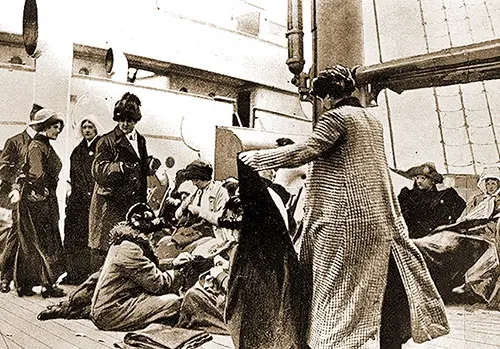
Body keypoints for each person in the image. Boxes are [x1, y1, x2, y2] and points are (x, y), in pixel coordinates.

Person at [240, 65, 449, 348]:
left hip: (345, 228)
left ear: (327, 96)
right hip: (380, 222)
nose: (321, 104)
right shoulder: (371, 121)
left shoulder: (336, 118)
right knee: (381, 289)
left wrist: (258, 160)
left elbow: (307, 150)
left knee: (333, 294)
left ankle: (329, 342)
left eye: (320, 98)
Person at [90, 203, 192, 331]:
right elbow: (157, 283)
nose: (152, 236)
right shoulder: (130, 249)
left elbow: (146, 268)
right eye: (151, 232)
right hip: (112, 312)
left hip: (112, 306)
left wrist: (172, 264)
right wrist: (177, 273)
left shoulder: (124, 243)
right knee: (173, 302)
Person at [89, 92, 160, 272]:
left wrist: (149, 165)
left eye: (129, 120)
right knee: (107, 249)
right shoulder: (106, 141)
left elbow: (140, 166)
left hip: (133, 203)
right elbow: (98, 170)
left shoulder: (141, 140)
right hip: (111, 204)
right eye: (121, 120)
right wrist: (120, 167)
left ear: (136, 120)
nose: (124, 124)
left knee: (129, 249)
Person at [14, 109, 66, 298]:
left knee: (32, 241)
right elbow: (36, 174)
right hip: (38, 200)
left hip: (38, 199)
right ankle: (47, 285)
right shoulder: (37, 146)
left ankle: (26, 285)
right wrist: (43, 192)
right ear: (45, 127)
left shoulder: (42, 145)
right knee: (43, 241)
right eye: (55, 126)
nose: (58, 130)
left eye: (59, 127)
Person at [0, 103, 43, 293]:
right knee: (13, 237)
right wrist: (20, 181)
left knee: (22, 239)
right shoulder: (15, 141)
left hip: (32, 200)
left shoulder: (42, 144)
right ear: (33, 119)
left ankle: (17, 280)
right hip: (13, 197)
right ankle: (4, 277)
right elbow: (3, 168)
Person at [62, 116, 101, 285]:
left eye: (90, 127)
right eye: (84, 126)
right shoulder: (77, 151)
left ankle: (88, 275)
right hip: (78, 201)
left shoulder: (101, 148)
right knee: (74, 236)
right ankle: (73, 273)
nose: (87, 130)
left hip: (93, 199)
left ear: (96, 129)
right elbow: (74, 176)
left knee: (89, 237)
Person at [170, 160, 229, 251]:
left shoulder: (220, 192)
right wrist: (183, 207)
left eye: (196, 180)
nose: (194, 183)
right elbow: (177, 215)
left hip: (211, 233)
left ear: (204, 177)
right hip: (195, 232)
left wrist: (200, 211)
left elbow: (222, 219)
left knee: (188, 250)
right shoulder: (196, 192)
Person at [397, 162, 466, 239]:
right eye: (417, 178)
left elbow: (461, 204)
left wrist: (449, 221)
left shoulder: (444, 194)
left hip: (434, 237)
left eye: (423, 178)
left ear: (433, 180)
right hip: (410, 237)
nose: (419, 181)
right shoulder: (408, 195)